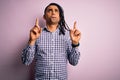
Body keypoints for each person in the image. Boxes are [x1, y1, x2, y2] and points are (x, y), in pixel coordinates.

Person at [21, 3, 81, 80]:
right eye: (50, 10)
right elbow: (26, 61)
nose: (53, 12)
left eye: (56, 11)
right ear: (44, 16)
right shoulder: (36, 34)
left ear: (60, 16)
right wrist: (31, 40)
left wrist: (75, 43)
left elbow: (74, 62)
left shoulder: (69, 35)